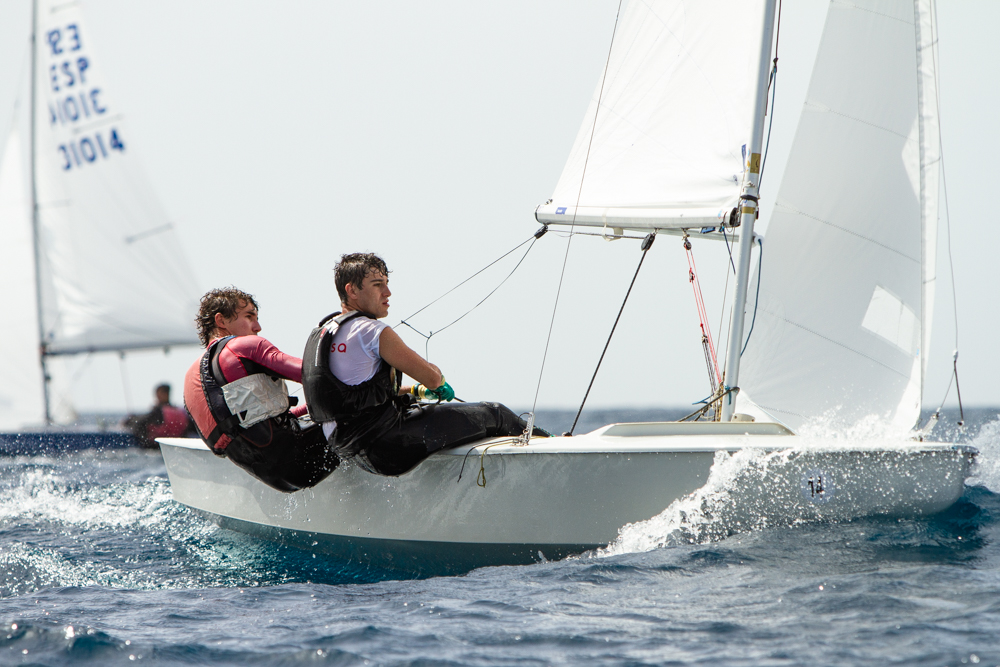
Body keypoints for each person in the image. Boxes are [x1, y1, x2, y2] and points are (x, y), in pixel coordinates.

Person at [302, 253, 541, 477]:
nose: (388, 292)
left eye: (386, 283)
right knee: (495, 414)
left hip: (348, 447)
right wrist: (437, 380)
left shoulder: (323, 331)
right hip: (387, 446)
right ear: (352, 290)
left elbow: (357, 396)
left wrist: (417, 390)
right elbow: (433, 378)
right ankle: (549, 447)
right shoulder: (370, 330)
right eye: (377, 285)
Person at [183, 287, 338, 492]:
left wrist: (307, 408)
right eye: (249, 317)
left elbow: (255, 425)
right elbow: (314, 375)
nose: (258, 327)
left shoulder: (191, 378)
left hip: (269, 476)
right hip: (302, 459)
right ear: (221, 320)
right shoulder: (245, 347)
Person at [123, 383, 192, 449]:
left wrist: (129, 421)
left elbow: (141, 422)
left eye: (158, 394)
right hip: (176, 446)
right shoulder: (179, 412)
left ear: (164, 394)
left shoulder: (159, 411)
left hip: (154, 446)